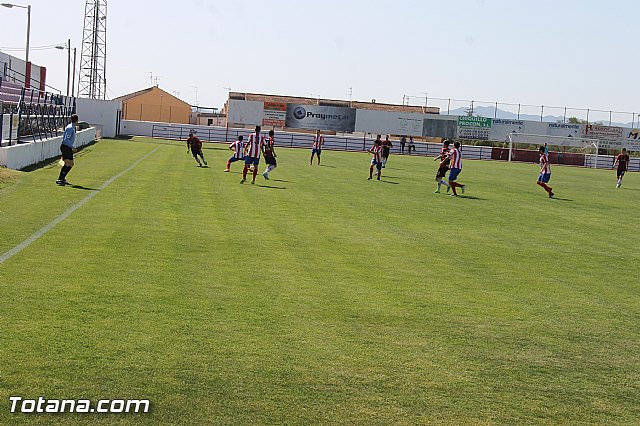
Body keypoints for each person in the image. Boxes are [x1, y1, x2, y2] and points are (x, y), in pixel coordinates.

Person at [56, 114, 79, 185]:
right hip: (65, 147)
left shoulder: (72, 127)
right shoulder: (70, 128)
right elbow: (66, 139)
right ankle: (60, 179)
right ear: (77, 120)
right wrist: (73, 147)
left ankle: (63, 178)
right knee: (67, 163)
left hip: (67, 147)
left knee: (71, 164)